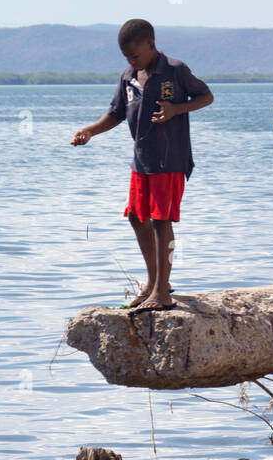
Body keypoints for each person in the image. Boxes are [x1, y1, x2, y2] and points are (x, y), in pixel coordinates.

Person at [71, 19, 214, 310]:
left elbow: (206, 96)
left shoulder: (174, 70)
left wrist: (177, 109)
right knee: (137, 217)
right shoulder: (128, 76)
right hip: (142, 161)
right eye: (127, 57)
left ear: (151, 44)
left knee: (161, 220)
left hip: (169, 158)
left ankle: (162, 292)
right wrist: (89, 131)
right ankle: (154, 283)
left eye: (135, 55)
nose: (132, 61)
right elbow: (116, 114)